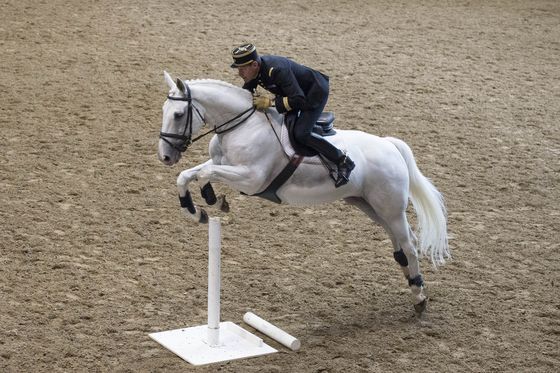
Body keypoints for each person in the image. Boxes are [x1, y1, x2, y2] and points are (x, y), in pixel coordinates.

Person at [230, 43, 355, 188]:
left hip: (312, 94)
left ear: (255, 65)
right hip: (293, 95)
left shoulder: (276, 70)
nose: (240, 73)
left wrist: (270, 102)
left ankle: (342, 160)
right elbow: (247, 92)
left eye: (242, 69)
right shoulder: (255, 71)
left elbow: (299, 99)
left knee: (301, 133)